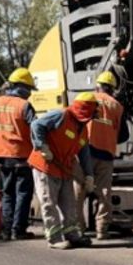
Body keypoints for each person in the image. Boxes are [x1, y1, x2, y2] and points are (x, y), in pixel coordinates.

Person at [29, 92, 98, 250]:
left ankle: (72, 234)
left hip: (64, 168)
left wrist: (89, 176)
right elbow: (36, 125)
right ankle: (54, 238)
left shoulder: (83, 128)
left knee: (69, 204)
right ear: (86, 110)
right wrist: (42, 146)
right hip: (46, 165)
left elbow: (84, 153)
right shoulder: (61, 115)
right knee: (49, 202)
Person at [0, 69, 37, 240]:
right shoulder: (24, 106)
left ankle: (6, 230)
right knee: (23, 194)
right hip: (22, 157)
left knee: (8, 194)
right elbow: (37, 128)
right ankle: (18, 230)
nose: (30, 93)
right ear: (23, 87)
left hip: (1, 157)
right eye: (29, 89)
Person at [74, 71, 127, 240]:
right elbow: (124, 135)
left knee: (79, 192)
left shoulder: (86, 99)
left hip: (85, 152)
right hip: (106, 155)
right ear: (112, 89)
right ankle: (102, 230)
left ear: (97, 85)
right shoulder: (117, 106)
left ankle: (78, 229)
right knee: (104, 193)